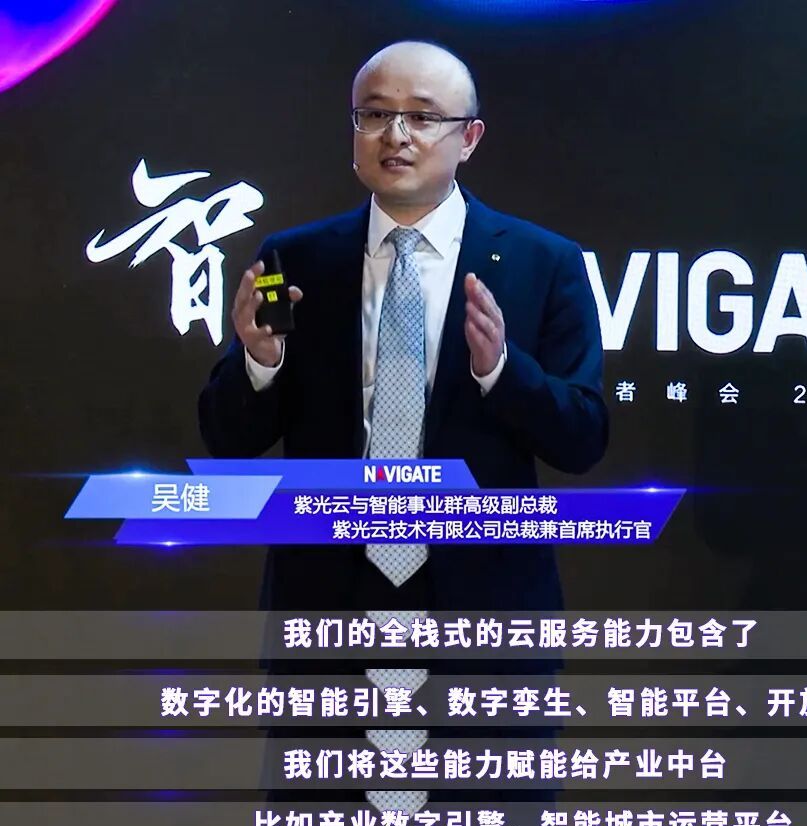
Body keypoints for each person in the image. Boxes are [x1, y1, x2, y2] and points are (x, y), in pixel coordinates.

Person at [198, 40, 608, 611]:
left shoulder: (543, 262)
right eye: (374, 114)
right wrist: (260, 363)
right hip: (324, 601)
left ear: (469, 138)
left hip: (484, 602)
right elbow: (229, 439)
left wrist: (501, 371)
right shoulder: (293, 260)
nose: (395, 135)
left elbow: (582, 440)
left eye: (422, 117)